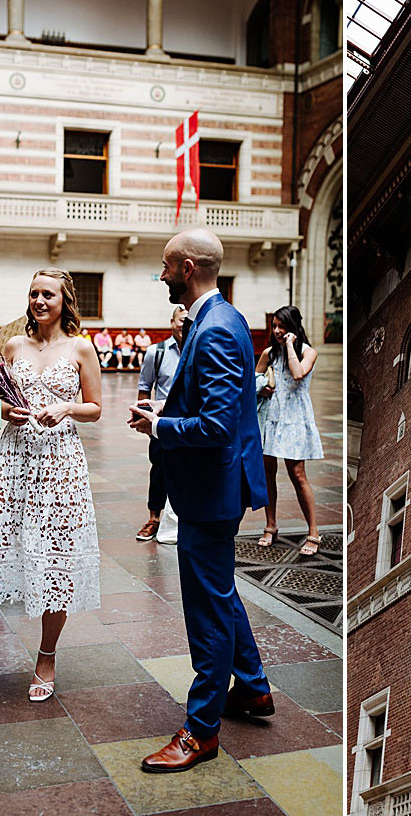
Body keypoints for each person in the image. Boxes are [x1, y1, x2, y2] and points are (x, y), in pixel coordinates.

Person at [130, 229, 271, 773]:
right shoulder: (228, 317)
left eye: (165, 266)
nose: (160, 275)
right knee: (221, 590)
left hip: (210, 492)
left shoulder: (211, 330)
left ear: (187, 267)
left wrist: (161, 424)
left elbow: (213, 425)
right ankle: (255, 688)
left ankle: (201, 731)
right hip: (218, 485)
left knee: (207, 611)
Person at [0, 268, 102, 703]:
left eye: (48, 294)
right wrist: (6, 411)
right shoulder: (13, 345)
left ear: (65, 300)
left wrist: (66, 408)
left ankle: (46, 657)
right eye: (34, 294)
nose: (39, 301)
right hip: (13, 460)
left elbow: (95, 408)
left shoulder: (81, 347)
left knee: (52, 560)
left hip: (60, 464)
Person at [255, 306, 324, 556]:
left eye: (282, 326)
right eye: (274, 326)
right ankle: (271, 525)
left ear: (294, 327)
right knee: (267, 472)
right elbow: (252, 381)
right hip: (271, 416)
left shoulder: (309, 352)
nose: (277, 331)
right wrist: (260, 387)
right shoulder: (268, 354)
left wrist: (290, 347)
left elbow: (297, 374)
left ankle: (314, 531)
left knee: (297, 473)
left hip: (295, 416)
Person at [134, 306, 186, 542]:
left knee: (189, 470)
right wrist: (143, 418)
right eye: (180, 321)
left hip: (189, 422)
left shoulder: (198, 350)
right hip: (161, 424)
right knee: (159, 470)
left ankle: (185, 521)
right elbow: (145, 387)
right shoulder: (157, 352)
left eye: (188, 321)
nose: (184, 325)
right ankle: (154, 518)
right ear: (172, 322)